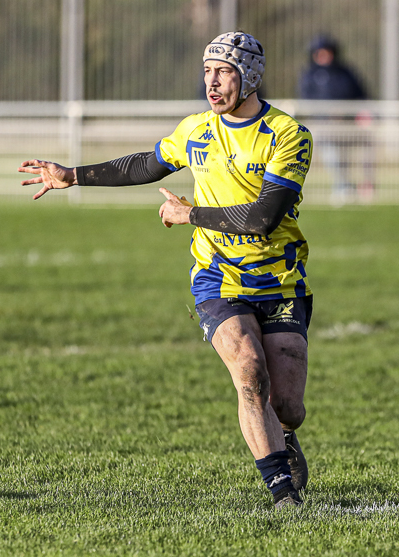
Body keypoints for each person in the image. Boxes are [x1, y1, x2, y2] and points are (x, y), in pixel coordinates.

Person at [18, 32, 313, 509]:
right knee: (249, 371)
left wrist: (189, 213)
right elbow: (146, 165)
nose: (211, 83)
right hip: (218, 276)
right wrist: (73, 175)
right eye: (207, 71)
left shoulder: (288, 134)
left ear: (250, 76)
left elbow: (263, 218)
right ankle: (282, 492)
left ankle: (283, 435)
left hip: (280, 280)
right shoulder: (196, 129)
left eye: (224, 72)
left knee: (289, 407)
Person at [298, 35, 370, 203]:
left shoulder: (345, 72)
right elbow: (306, 98)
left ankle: (353, 187)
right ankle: (342, 187)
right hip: (323, 125)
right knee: (332, 157)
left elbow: (360, 94)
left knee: (347, 158)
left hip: (346, 125)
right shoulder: (310, 74)